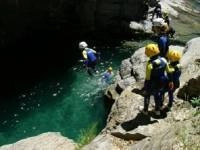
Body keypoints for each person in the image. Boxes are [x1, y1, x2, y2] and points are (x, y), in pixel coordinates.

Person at [142, 43, 168, 115]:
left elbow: (147, 77)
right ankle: (157, 110)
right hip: (162, 80)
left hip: (152, 82)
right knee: (158, 95)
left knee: (147, 95)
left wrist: (145, 86)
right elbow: (168, 71)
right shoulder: (164, 59)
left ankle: (145, 110)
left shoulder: (150, 63)